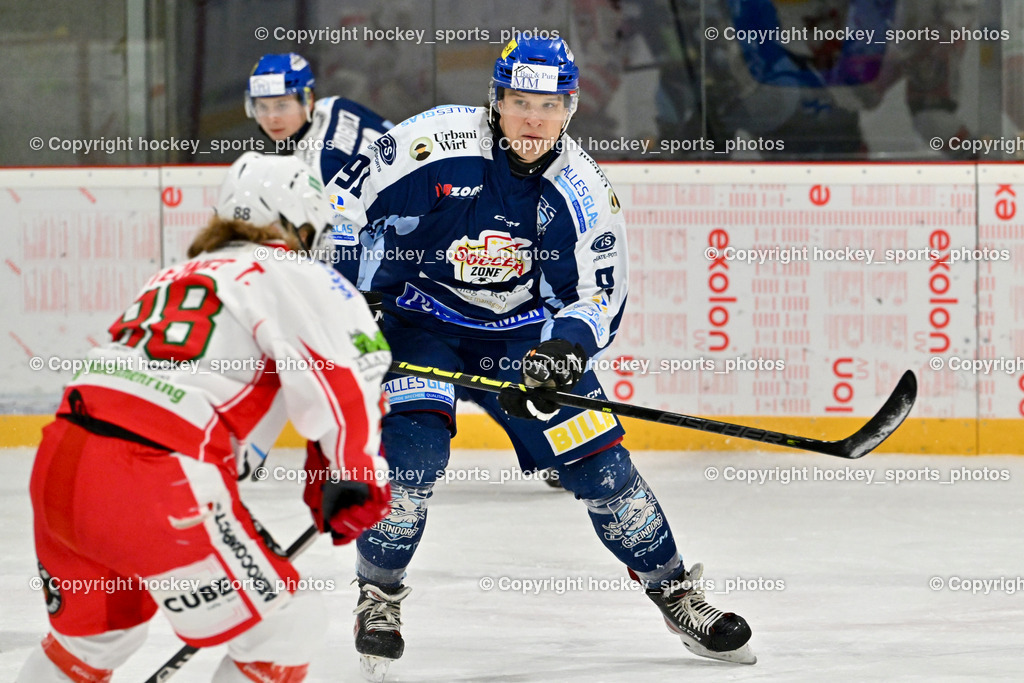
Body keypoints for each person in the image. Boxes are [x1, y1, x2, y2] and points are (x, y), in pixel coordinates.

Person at [326, 34, 755, 681]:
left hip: (527, 339)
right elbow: (345, 218)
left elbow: (598, 293)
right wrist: (353, 308)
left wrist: (563, 352)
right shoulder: (427, 146)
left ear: (572, 107)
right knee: (412, 460)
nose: (533, 119)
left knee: (604, 470)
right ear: (494, 100)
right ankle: (378, 595)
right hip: (422, 326)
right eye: (519, 101)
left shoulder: (582, 189)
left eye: (549, 105)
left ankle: (673, 590)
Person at [18, 152, 392, 683]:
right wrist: (354, 474)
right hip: (152, 474)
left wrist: (327, 478)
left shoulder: (173, 276)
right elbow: (342, 381)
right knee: (284, 630)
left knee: (92, 642)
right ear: (299, 219)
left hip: (59, 465)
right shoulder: (290, 269)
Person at [246, 52, 394, 185]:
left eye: (282, 106)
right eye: (263, 107)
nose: (272, 118)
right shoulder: (335, 104)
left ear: (308, 101)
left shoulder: (319, 167)